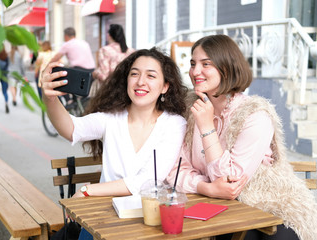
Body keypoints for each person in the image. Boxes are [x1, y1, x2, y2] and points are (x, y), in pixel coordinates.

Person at [166, 34, 317, 240]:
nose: (195, 71)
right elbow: (175, 169)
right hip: (215, 206)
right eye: (193, 64)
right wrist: (207, 187)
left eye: (205, 64)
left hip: (270, 205)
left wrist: (207, 127)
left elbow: (229, 182)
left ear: (226, 68)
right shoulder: (190, 107)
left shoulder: (255, 114)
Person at [42, 48, 188, 239]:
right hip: (102, 218)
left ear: (165, 87)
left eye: (151, 76)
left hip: (147, 223)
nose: (140, 81)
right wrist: (50, 98)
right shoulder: (111, 119)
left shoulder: (174, 124)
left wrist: (88, 190)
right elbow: (71, 128)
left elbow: (148, 180)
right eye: (134, 74)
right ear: (126, 80)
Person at [90, 24, 134, 97]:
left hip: (110, 92)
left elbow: (104, 76)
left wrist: (96, 73)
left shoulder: (105, 50)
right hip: (127, 92)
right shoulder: (131, 51)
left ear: (109, 36)